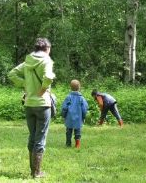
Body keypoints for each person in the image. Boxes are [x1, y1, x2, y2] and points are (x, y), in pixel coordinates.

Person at [8, 38, 55, 178]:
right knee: (40, 137)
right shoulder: (47, 60)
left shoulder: (28, 61)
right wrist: (43, 88)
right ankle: (37, 172)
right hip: (42, 104)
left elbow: (11, 74)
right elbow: (48, 77)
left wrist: (25, 84)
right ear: (47, 48)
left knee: (32, 136)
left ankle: (32, 170)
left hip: (29, 104)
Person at [61, 80, 88, 148]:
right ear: (79, 88)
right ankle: (77, 144)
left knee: (68, 131)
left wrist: (63, 115)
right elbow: (84, 109)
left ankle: (68, 144)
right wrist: (83, 117)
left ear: (70, 87)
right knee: (77, 131)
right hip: (78, 118)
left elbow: (64, 107)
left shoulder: (68, 97)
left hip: (69, 117)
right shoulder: (81, 98)